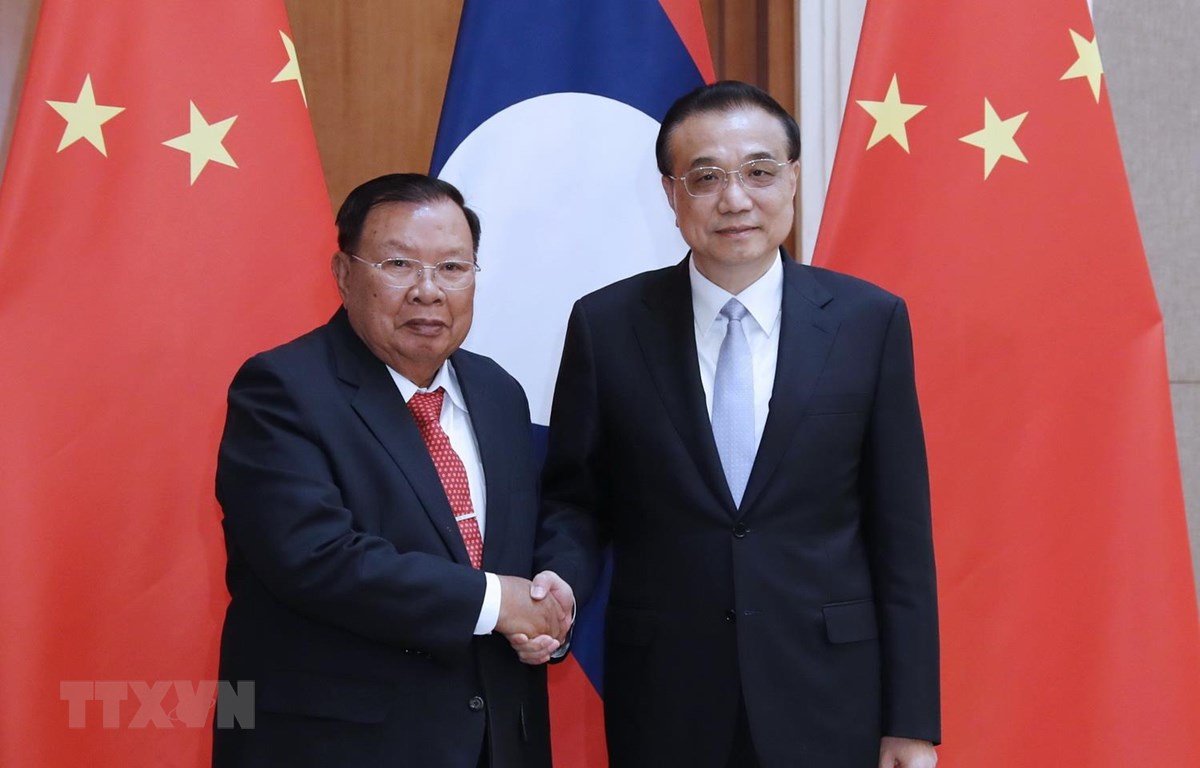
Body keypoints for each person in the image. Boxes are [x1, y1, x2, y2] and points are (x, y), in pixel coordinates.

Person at [533, 81, 941, 767]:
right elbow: (576, 499)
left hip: (829, 694)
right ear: (671, 195)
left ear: (793, 179)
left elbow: (900, 535)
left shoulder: (868, 322)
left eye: (758, 172)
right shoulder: (607, 326)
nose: (735, 199)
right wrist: (561, 581)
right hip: (666, 695)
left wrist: (911, 721)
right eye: (706, 178)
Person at [212, 173, 573, 768]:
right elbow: (316, 558)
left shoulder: (498, 392)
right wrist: (496, 602)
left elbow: (524, 539)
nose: (428, 291)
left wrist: (548, 602)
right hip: (336, 747)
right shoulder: (281, 390)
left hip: (497, 743)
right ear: (343, 273)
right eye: (399, 264)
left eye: (453, 268)